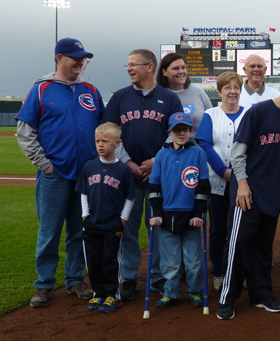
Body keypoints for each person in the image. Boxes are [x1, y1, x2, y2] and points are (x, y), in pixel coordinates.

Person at [16, 37, 102, 308]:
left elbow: (105, 129)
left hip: (85, 176)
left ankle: (75, 279)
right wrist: (44, 164)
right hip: (54, 173)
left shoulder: (90, 90)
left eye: (83, 57)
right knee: (50, 232)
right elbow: (25, 132)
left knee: (79, 231)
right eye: (75, 56)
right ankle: (43, 285)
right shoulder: (41, 89)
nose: (80, 61)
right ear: (58, 58)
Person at [217, 70, 280, 320]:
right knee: (238, 246)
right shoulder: (258, 111)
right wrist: (243, 184)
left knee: (263, 248)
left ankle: (261, 294)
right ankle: (227, 297)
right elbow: (237, 154)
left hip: (271, 195)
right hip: (247, 194)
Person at [101, 49, 183, 300]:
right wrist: (127, 162)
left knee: (159, 228)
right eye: (127, 65)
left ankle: (157, 275)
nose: (128, 69)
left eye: (133, 65)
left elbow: (178, 134)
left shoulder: (169, 98)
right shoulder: (119, 98)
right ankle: (128, 277)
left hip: (159, 176)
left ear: (150, 67)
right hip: (127, 176)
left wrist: (155, 161)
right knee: (127, 228)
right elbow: (109, 132)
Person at [149, 112, 211, 309]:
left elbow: (203, 186)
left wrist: (198, 214)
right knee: (170, 263)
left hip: (191, 215)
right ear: (170, 132)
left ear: (191, 131)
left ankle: (195, 292)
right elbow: (154, 186)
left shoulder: (198, 153)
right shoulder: (161, 155)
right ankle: (170, 293)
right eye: (177, 130)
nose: (181, 133)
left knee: (193, 262)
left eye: (185, 129)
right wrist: (157, 213)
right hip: (167, 215)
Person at [195, 72, 247, 292]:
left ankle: (238, 271)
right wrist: (223, 171)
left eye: (236, 87)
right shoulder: (210, 114)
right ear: (219, 91)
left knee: (240, 230)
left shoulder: (249, 114)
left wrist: (237, 174)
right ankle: (219, 271)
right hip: (217, 181)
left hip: (242, 182)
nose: (232, 92)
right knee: (217, 229)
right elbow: (205, 145)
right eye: (227, 88)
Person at [75, 122, 135, 313]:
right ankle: (98, 293)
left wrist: (123, 220)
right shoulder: (90, 166)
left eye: (105, 141)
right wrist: (85, 216)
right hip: (92, 223)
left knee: (110, 260)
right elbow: (83, 192)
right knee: (93, 260)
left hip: (112, 224)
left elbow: (130, 197)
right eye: (97, 141)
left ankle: (112, 295)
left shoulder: (123, 170)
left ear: (117, 143)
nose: (100, 145)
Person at [156, 53, 213, 136]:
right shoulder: (158, 95)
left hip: (198, 147)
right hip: (169, 147)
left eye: (183, 68)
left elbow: (212, 120)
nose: (181, 71)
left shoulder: (198, 92)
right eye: (176, 68)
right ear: (164, 72)